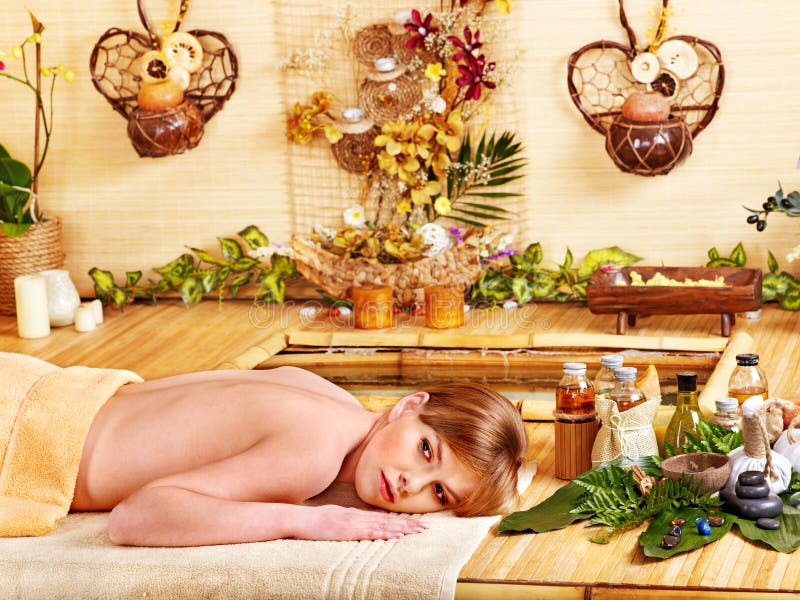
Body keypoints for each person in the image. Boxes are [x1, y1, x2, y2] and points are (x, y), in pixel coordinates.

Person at [70, 366, 528, 547]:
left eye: (440, 492)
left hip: (60, 391)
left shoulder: (328, 397)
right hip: (33, 441)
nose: (412, 483)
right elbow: (134, 519)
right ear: (408, 406)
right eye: (426, 450)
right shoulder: (314, 453)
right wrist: (304, 520)